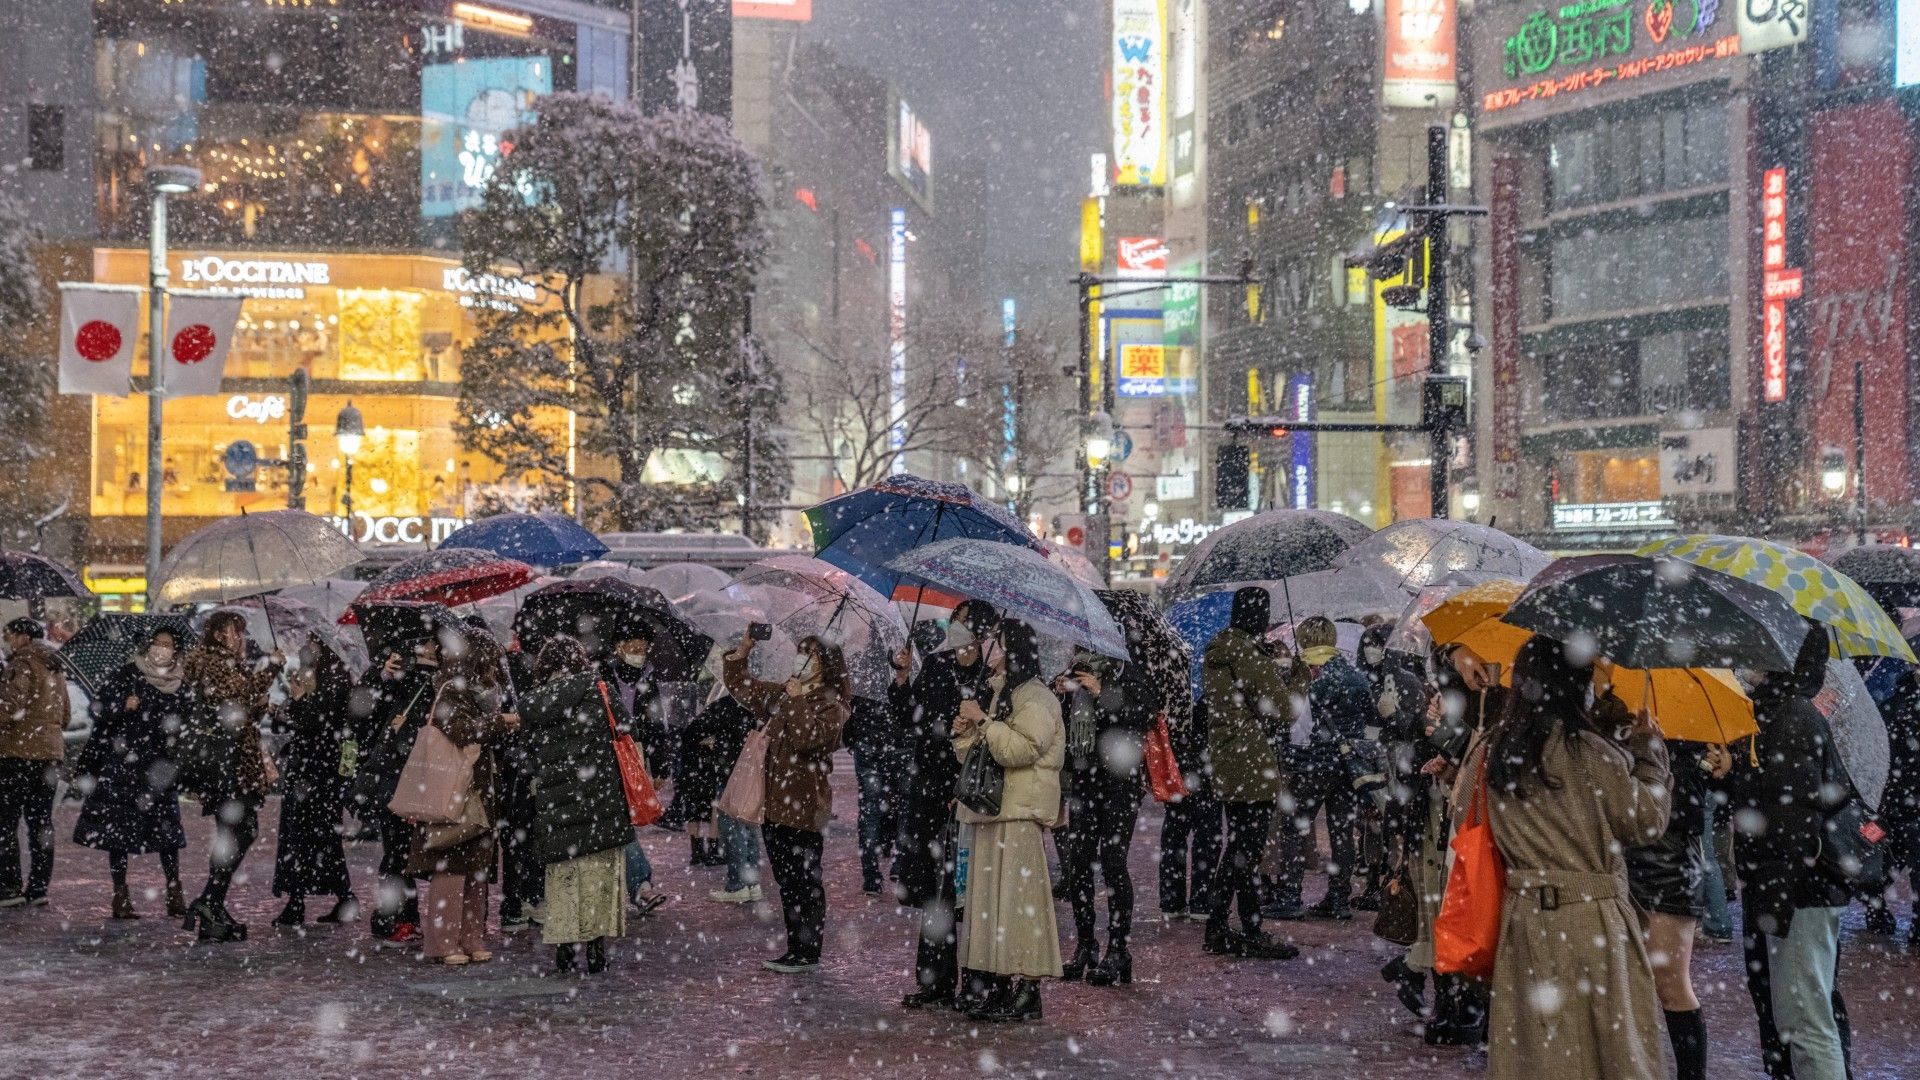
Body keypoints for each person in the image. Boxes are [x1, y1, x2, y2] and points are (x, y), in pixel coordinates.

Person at [1459, 635, 1670, 1079]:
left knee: (1537, 1053)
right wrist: (1650, 755)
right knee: (1610, 1052)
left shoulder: (1494, 750)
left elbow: (1466, 816)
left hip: (1523, 920)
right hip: (1593, 921)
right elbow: (1645, 822)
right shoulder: (1591, 752)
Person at [1730, 626, 1857, 1080]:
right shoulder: (1780, 714)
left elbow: (1792, 822)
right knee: (1800, 1013)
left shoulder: (1791, 719)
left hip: (1798, 892)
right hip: (1792, 888)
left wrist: (1775, 902)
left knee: (1805, 1020)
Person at [951, 619, 1065, 1022]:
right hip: (991, 812)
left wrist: (984, 721)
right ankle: (998, 984)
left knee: (1020, 903)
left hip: (1018, 814)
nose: (987, 647)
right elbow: (978, 757)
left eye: (995, 641)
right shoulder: (1000, 693)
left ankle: (1028, 989)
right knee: (991, 905)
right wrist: (966, 731)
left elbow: (1021, 750)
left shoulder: (1035, 697)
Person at [725, 631, 850, 974]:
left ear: (825, 664)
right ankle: (796, 947)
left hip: (805, 807)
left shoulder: (832, 705)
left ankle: (807, 951)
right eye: (800, 652)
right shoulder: (784, 692)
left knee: (805, 881)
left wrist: (796, 700)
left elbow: (809, 739)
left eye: (810, 654)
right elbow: (743, 687)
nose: (801, 659)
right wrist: (743, 650)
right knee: (786, 880)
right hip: (775, 804)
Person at [893, 605, 996, 1008]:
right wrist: (902, 678)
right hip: (930, 791)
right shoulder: (936, 666)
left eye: (965, 622)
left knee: (971, 889)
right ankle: (934, 980)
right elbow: (908, 718)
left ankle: (977, 982)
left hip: (971, 792)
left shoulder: (990, 674)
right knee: (936, 892)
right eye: (955, 620)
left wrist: (973, 725)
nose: (957, 628)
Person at [406, 628, 519, 965]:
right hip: (454, 790)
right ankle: (443, 942)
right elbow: (461, 730)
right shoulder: (451, 691)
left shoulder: (484, 695)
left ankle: (471, 937)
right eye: (491, 662)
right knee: (452, 867)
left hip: (479, 790)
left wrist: (500, 723)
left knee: (477, 868)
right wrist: (499, 722)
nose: (495, 670)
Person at [521, 638, 632, 974]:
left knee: (564, 879)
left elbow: (527, 752)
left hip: (556, 805)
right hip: (600, 800)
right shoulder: (598, 689)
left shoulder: (534, 702)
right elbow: (625, 727)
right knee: (598, 877)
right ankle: (596, 952)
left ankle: (565, 951)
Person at [1625, 728, 1730, 1080]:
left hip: (1670, 856)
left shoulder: (1694, 726)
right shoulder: (1615, 715)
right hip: (1621, 851)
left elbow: (1697, 794)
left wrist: (1711, 765)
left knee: (1670, 983)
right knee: (1623, 981)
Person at [1199, 588, 1298, 960]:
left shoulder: (1224, 648)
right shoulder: (1245, 652)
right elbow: (1283, 709)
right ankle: (1248, 928)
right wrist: (1300, 679)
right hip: (1251, 759)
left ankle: (1220, 925)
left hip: (1230, 757)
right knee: (1247, 849)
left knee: (1238, 846)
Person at [179, 611, 284, 941]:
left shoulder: (227, 663)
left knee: (236, 833)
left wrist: (259, 703)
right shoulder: (212, 663)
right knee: (241, 830)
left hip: (234, 762)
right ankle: (210, 901)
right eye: (234, 631)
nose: (240, 638)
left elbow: (241, 707)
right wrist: (270, 668)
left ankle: (213, 906)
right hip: (225, 764)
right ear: (219, 635)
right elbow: (235, 701)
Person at [72, 626, 188, 919]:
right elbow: (98, 711)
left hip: (160, 768)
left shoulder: (180, 682)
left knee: (167, 833)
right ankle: (120, 895)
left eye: (168, 644)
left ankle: (174, 892)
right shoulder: (127, 675)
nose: (161, 649)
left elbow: (187, 719)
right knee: (118, 834)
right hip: (124, 766)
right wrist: (121, 706)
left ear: (176, 650)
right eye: (157, 643)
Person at [1054, 650, 1155, 985]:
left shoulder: (1130, 670)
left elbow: (1144, 715)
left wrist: (1102, 693)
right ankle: (1086, 945)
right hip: (1085, 779)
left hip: (1120, 782)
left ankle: (1118, 949)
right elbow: (1067, 730)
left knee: (1113, 862)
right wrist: (1062, 695)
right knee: (1078, 862)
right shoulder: (1077, 670)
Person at [1274, 616, 1375, 921]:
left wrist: (1288, 755)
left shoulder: (1306, 676)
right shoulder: (1354, 675)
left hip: (1312, 765)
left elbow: (1297, 727)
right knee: (1342, 832)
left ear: (1304, 640)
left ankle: (1290, 896)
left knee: (1293, 828)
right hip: (1347, 766)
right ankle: (1339, 898)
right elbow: (1369, 717)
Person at [354, 635, 441, 944]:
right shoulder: (402, 672)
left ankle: (402, 916)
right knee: (397, 851)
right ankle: (392, 918)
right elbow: (363, 712)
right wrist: (383, 674)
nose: (426, 648)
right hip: (393, 774)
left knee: (402, 852)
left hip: (411, 774)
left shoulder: (437, 680)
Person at [270, 634, 358, 927]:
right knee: (315, 835)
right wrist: (287, 707)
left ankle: (300, 902)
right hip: (308, 768)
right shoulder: (314, 673)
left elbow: (318, 722)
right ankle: (338, 897)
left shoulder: (335, 678)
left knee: (311, 834)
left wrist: (298, 701)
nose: (308, 645)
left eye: (313, 641)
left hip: (320, 770)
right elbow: (292, 721)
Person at [0, 617, 67, 909]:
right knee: (41, 822)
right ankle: (38, 887)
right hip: (50, 755)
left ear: (23, 637)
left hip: (18, 753)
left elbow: (9, 707)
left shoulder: (21, 664)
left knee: (6, 821)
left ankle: (9, 886)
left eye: (10, 636)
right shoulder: (55, 666)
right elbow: (65, 715)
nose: (8, 642)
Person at [600, 627, 665, 916]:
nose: (639, 654)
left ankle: (635, 886)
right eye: (634, 648)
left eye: (643, 649)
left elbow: (656, 723)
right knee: (619, 822)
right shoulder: (600, 674)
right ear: (619, 647)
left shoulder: (648, 678)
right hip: (604, 756)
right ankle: (639, 885)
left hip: (632, 757)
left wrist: (660, 765)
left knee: (621, 821)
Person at [845, 692, 907, 895]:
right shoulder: (906, 673)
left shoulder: (863, 677)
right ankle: (900, 863)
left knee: (869, 812)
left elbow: (849, 701)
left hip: (868, 740)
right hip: (901, 742)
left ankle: (871, 878)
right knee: (905, 808)